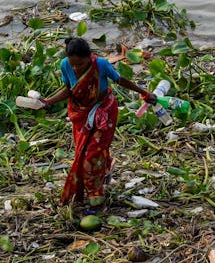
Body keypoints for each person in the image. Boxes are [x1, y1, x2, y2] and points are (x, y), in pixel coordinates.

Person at [42, 37, 156, 211]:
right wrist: (49, 101)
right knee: (85, 153)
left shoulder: (101, 64)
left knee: (90, 157)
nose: (75, 68)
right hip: (81, 114)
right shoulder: (65, 65)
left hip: (104, 113)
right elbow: (69, 89)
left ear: (89, 57)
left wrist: (144, 93)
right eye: (73, 64)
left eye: (79, 64)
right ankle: (104, 174)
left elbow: (120, 80)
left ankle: (97, 200)